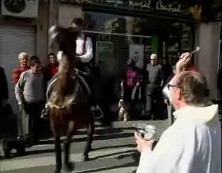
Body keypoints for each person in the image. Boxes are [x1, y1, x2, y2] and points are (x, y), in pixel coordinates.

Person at [134, 52, 221, 173]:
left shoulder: (178, 132)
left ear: (179, 93)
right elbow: (172, 92)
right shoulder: (215, 124)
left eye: (171, 88)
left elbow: (150, 169)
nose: (169, 90)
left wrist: (145, 149)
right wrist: (179, 70)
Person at [15, 56, 45, 145]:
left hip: (39, 103)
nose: (37, 69)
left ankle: (36, 139)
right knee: (29, 123)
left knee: (37, 122)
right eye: (36, 67)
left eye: (38, 67)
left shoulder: (40, 75)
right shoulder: (25, 74)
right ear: (31, 67)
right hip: (28, 103)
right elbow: (18, 88)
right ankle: (28, 140)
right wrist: (20, 101)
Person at [143, 53, 164, 119]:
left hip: (157, 87)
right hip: (149, 87)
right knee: (149, 103)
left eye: (154, 59)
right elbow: (144, 75)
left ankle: (155, 116)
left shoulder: (159, 67)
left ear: (157, 60)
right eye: (151, 59)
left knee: (156, 103)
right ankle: (149, 115)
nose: (152, 61)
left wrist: (161, 85)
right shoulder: (147, 66)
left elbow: (163, 77)